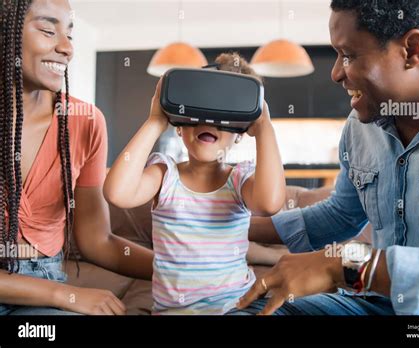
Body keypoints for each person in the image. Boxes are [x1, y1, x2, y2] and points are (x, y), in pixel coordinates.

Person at [233, 0, 419, 315]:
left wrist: (351, 266)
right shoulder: (362, 127)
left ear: (411, 49)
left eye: (348, 55)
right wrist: (233, 226)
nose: (335, 73)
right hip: (375, 303)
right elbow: (342, 215)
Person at [0, 0, 154, 315]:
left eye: (70, 35)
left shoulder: (84, 121)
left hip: (41, 288)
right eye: (47, 30)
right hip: (49, 291)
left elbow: (97, 240)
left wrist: (181, 270)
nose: (67, 48)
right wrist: (61, 294)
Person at [104, 53, 286, 314]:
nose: (208, 121)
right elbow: (118, 193)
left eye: (223, 115)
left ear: (239, 135)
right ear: (179, 126)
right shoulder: (164, 175)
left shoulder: (239, 181)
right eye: (197, 113)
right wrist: (155, 120)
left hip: (236, 307)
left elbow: (270, 204)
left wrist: (264, 127)